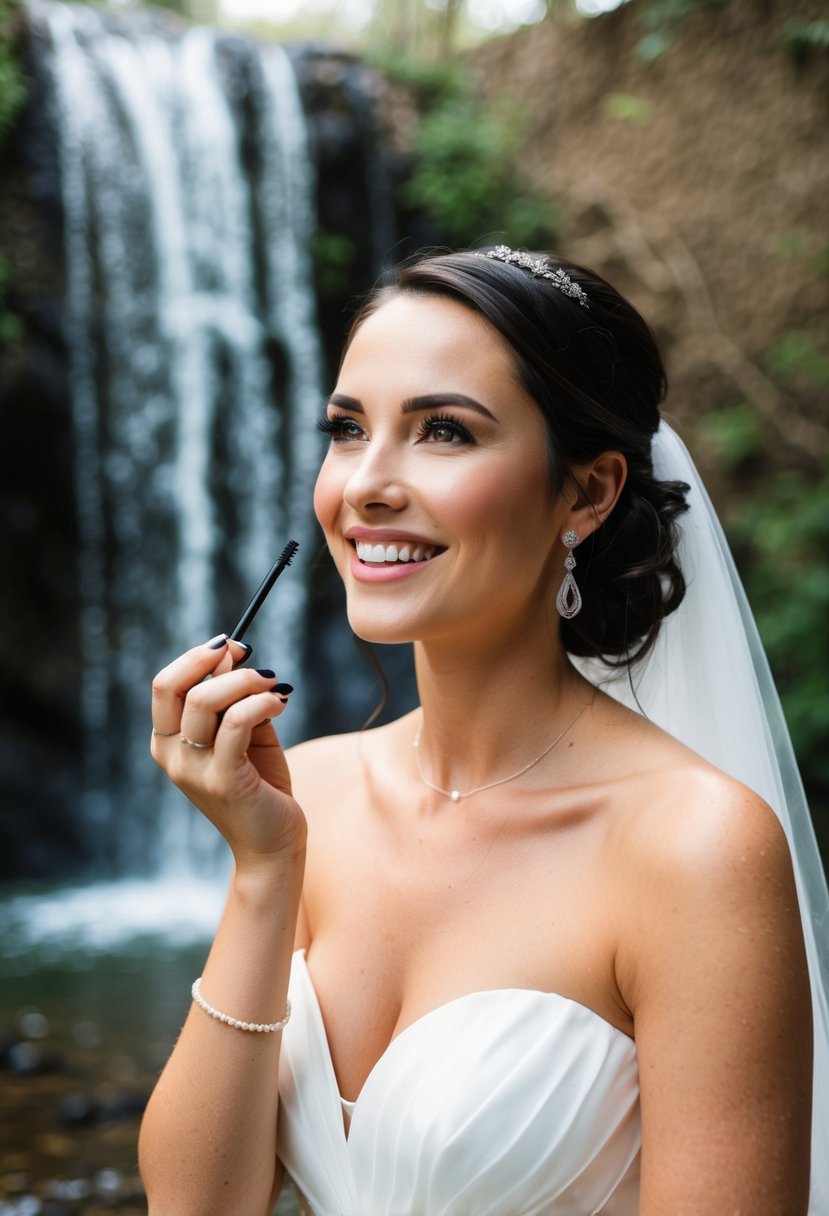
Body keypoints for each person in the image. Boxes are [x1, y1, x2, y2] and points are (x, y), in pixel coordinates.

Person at [139, 247, 828, 1215]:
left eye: (444, 432)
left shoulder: (694, 848)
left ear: (585, 493)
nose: (365, 485)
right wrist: (264, 869)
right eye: (347, 429)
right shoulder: (310, 794)